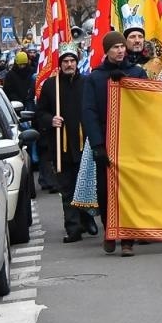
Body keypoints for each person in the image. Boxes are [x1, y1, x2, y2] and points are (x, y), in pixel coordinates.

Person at [81, 31, 147, 256]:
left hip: (132, 141)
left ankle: (127, 239)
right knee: (105, 189)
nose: (120, 51)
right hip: (106, 141)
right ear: (107, 50)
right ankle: (110, 229)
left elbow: (149, 105)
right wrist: (97, 144)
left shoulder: (137, 73)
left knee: (129, 188)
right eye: (115, 47)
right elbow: (88, 112)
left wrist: (128, 84)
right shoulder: (95, 78)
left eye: (122, 47)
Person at [39, 46, 97, 243]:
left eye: (72, 60)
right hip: (61, 146)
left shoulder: (87, 83)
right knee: (67, 188)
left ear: (77, 62)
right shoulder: (50, 86)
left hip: (84, 143)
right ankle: (73, 228)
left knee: (85, 185)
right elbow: (40, 114)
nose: (69, 64)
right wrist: (50, 120)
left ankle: (86, 218)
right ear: (60, 64)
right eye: (65, 61)